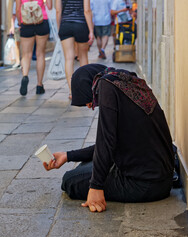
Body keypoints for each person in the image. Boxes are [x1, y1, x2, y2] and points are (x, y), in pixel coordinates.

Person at [43, 64, 175, 213]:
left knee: (70, 180)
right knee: (86, 165)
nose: (89, 106)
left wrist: (95, 187)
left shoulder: (106, 87)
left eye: (87, 100)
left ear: (89, 86)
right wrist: (68, 156)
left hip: (143, 184)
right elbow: (107, 144)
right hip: (162, 178)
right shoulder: (124, 80)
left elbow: (106, 142)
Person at [55, 0, 94, 100]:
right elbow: (87, 11)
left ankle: (72, 91)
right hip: (81, 24)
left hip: (65, 25)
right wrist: (91, 31)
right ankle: (85, 89)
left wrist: (59, 28)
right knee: (83, 56)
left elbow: (58, 11)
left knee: (68, 58)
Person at [16, 0, 52, 96]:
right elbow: (49, 6)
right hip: (41, 21)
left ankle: (25, 75)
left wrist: (20, 23)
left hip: (26, 23)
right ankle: (39, 85)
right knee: (40, 54)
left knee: (26, 54)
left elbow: (18, 9)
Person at [9, 0, 21, 69]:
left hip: (23, 25)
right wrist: (12, 26)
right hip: (18, 26)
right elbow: (13, 15)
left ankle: (20, 61)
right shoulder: (15, 2)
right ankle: (18, 61)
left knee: (21, 45)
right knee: (17, 44)